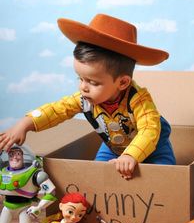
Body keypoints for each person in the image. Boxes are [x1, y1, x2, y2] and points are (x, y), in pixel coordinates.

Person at [0, 14, 176, 179]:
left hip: (154, 149)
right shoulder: (85, 99)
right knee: (96, 175)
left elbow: (149, 130)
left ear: (122, 83)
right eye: (80, 78)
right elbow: (56, 110)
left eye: (93, 82)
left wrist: (131, 155)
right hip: (114, 149)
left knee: (165, 176)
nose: (83, 87)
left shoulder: (139, 100)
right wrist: (25, 124)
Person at [0, 145, 57, 223]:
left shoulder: (35, 174)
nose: (14, 157)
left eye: (18, 154)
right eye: (11, 154)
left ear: (23, 156)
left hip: (24, 207)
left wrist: (39, 207)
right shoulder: (3, 172)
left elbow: (51, 192)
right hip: (7, 206)